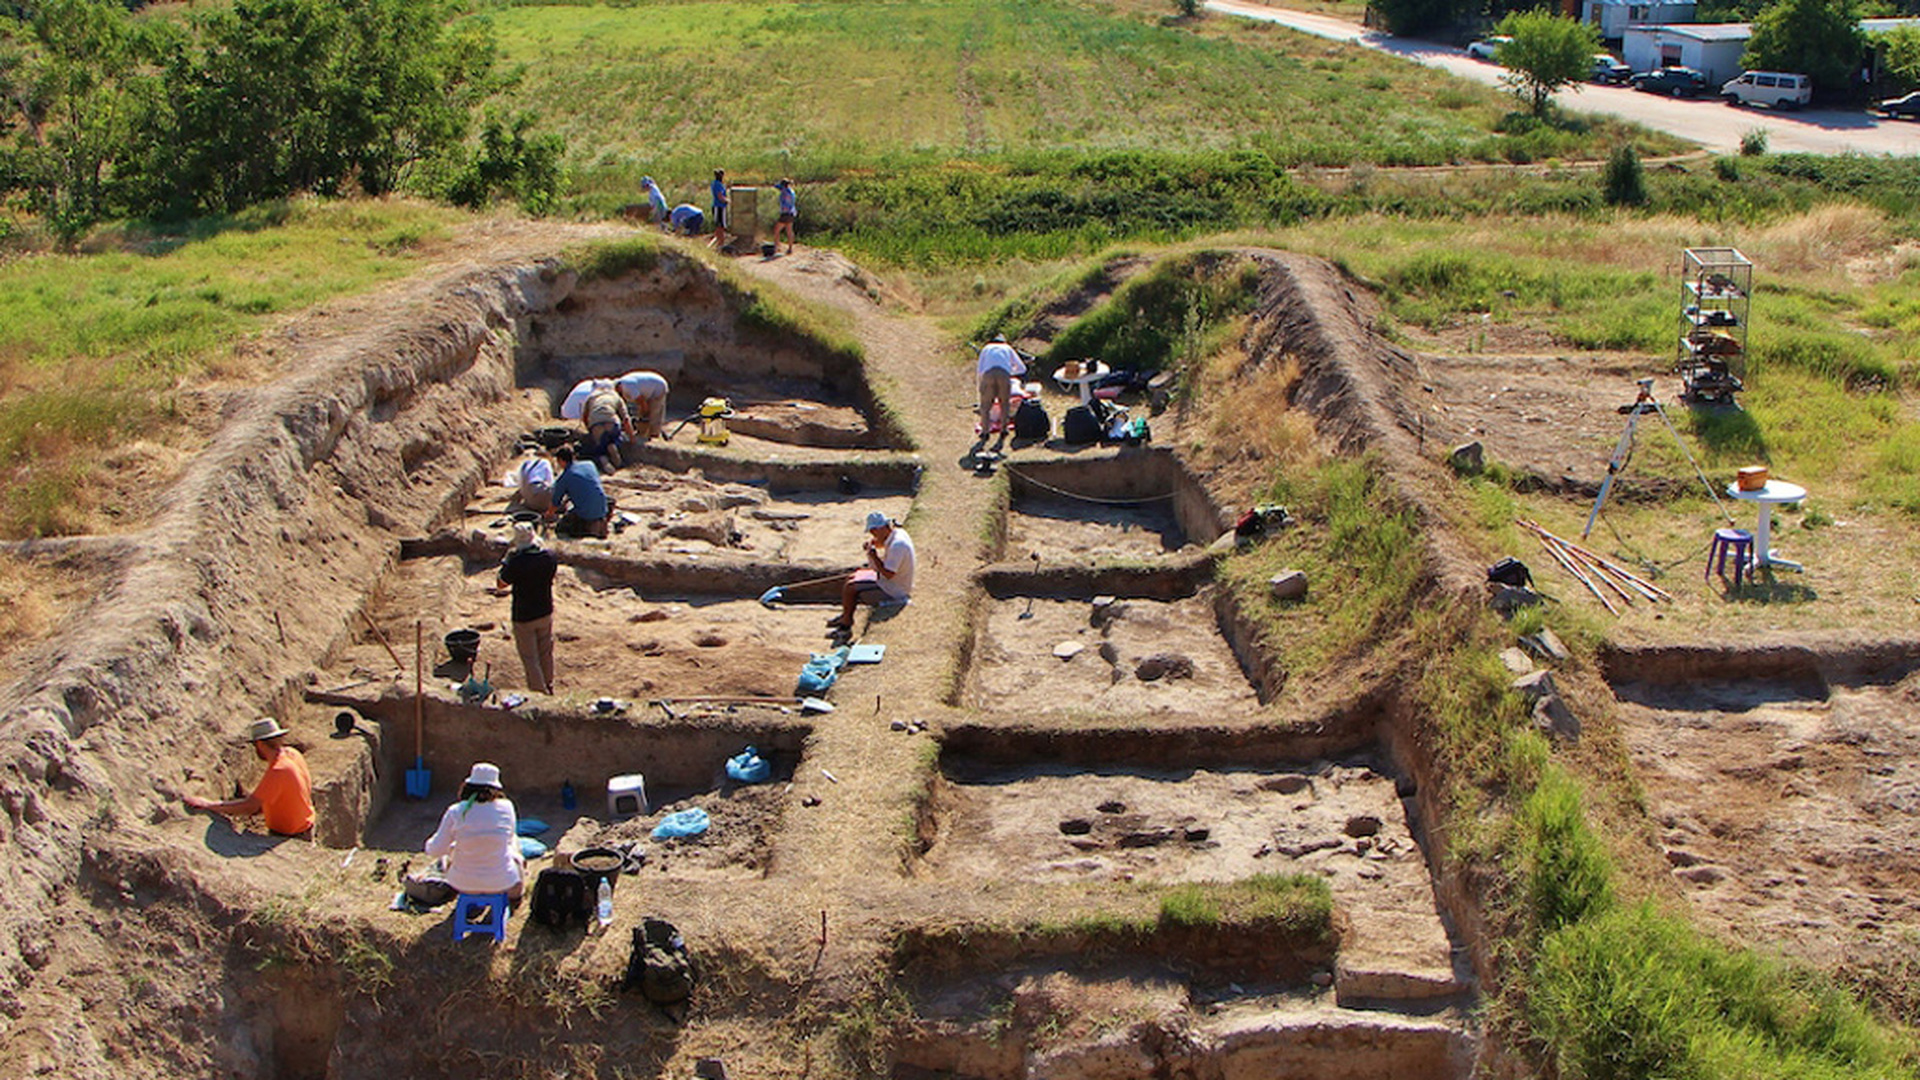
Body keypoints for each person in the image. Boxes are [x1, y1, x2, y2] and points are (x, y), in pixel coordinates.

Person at [407, 762, 526, 905]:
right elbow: (509, 837)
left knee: (453, 850)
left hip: (462, 884)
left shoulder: (456, 811)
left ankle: (469, 903)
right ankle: (515, 899)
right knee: (514, 843)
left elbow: (435, 850)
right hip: (502, 882)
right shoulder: (507, 807)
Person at [183, 717, 314, 838]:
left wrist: (208, 804)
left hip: (292, 835)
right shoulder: (292, 754)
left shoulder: (279, 769)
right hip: (304, 825)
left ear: (260, 744)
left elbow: (250, 807)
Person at [494, 522, 557, 694]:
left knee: (530, 658)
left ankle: (539, 692)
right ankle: (549, 684)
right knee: (545, 651)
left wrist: (506, 563)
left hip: (524, 616)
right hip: (545, 610)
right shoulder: (549, 557)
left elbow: (501, 584)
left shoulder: (516, 562)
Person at [829, 511, 915, 634]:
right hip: (890, 581)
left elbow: (889, 574)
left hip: (894, 588)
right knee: (852, 576)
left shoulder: (898, 545)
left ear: (881, 528)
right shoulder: (897, 533)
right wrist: (873, 543)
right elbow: (882, 543)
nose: (873, 534)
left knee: (850, 587)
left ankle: (845, 624)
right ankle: (845, 615)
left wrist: (874, 557)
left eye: (874, 531)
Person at [548, 444, 611, 539]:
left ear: (560, 461)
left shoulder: (565, 477)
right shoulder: (589, 464)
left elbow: (555, 503)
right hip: (602, 508)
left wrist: (548, 515)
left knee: (562, 526)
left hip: (587, 515)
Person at [975, 333, 1025, 444]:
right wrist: (1009, 371)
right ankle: (1003, 429)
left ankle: (985, 431)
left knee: (986, 405)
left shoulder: (986, 348)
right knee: (1004, 403)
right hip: (1004, 374)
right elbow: (1022, 368)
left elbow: (980, 369)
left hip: (988, 374)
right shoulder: (1008, 348)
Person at [581, 384, 630, 470]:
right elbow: (626, 418)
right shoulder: (616, 396)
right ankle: (613, 445)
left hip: (595, 422)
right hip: (611, 421)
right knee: (617, 437)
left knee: (599, 447)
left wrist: (589, 429)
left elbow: (584, 416)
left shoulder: (591, 397)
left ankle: (605, 462)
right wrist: (632, 436)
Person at [615, 369, 671, 441]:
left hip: (658, 387)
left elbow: (642, 401)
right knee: (643, 413)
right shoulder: (623, 384)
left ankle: (654, 437)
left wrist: (644, 412)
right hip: (649, 387)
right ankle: (642, 433)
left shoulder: (628, 388)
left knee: (654, 414)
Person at [772, 178, 797, 254]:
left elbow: (776, 186)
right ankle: (790, 248)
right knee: (789, 231)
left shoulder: (784, 191)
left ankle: (777, 247)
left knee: (776, 230)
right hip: (792, 212)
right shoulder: (791, 191)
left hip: (785, 213)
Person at [709, 168, 730, 250]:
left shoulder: (715, 183)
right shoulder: (718, 185)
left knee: (719, 225)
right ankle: (720, 244)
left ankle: (719, 243)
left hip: (718, 207)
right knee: (720, 226)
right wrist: (728, 201)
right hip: (719, 207)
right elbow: (720, 196)